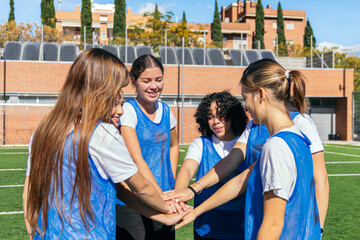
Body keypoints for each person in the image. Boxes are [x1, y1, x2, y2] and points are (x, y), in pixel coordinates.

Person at [22, 48, 190, 240]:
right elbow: (140, 187)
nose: (119, 97)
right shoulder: (102, 133)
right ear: (98, 89)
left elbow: (28, 194)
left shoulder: (43, 131)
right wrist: (171, 206)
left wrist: (161, 216)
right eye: (116, 89)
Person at [164, 59, 328, 235]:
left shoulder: (276, 146)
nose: (245, 106)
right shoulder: (296, 137)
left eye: (245, 97)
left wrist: (320, 228)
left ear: (261, 94)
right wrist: (195, 205)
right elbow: (241, 178)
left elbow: (273, 225)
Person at [116, 54, 179, 240]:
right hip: (134, 200)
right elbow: (136, 158)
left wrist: (170, 182)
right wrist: (160, 196)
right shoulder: (127, 110)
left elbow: (174, 146)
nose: (154, 86)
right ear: (133, 82)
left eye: (158, 80)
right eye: (147, 81)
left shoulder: (166, 110)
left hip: (163, 197)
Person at [175, 91, 248, 239]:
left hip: (241, 228)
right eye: (210, 117)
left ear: (233, 115)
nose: (215, 121)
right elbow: (188, 169)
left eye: (221, 115)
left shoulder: (247, 141)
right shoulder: (200, 144)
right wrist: (179, 197)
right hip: (206, 227)